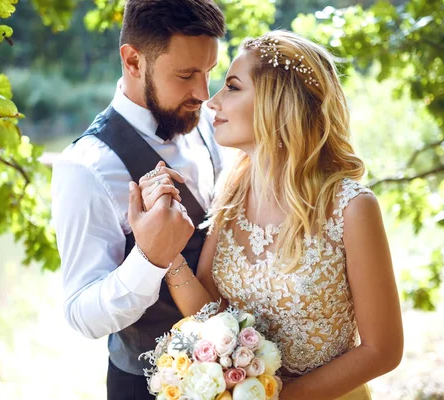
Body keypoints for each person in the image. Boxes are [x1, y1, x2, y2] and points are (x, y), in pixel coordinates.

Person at [136, 30, 404, 399]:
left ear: (277, 102)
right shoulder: (231, 192)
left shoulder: (351, 207)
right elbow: (211, 315)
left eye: (232, 86)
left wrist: (275, 397)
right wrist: (169, 255)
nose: (211, 101)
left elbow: (383, 350)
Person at [50, 1, 226, 399]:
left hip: (247, 374)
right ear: (132, 61)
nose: (203, 93)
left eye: (209, 72)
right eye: (185, 75)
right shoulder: (87, 168)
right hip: (147, 386)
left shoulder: (214, 121)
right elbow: (82, 315)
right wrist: (149, 259)